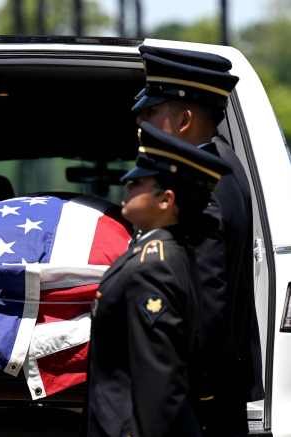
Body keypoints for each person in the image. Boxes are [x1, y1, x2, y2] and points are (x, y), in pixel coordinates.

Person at [133, 45, 264, 436]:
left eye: (152, 114)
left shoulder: (199, 187)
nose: (142, 125)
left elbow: (208, 298)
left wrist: (195, 388)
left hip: (198, 399)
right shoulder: (225, 165)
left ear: (185, 119)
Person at [86, 121, 230, 437]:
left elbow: (159, 380)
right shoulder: (156, 254)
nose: (126, 184)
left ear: (165, 200)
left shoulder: (153, 266)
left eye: (138, 182)